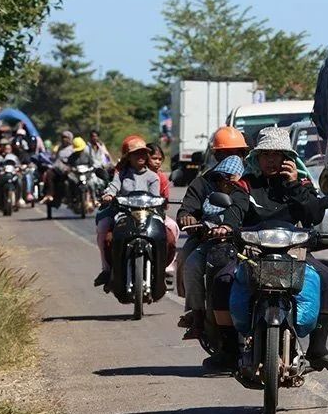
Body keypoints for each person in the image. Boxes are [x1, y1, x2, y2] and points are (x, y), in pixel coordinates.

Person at [225, 127, 328, 374]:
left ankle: (318, 349)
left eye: (277, 154)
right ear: (257, 157)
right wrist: (227, 227)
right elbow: (235, 211)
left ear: (287, 158)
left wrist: (293, 185)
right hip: (252, 252)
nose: (271, 160)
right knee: (222, 278)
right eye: (265, 154)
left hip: (294, 252)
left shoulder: (301, 183)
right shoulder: (245, 185)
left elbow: (313, 215)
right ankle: (227, 350)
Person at [176, 126, 251, 335]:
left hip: (250, 240)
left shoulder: (252, 181)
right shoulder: (202, 183)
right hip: (210, 240)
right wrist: (187, 217)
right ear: (217, 156)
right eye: (225, 154)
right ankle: (197, 315)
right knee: (191, 264)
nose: (232, 159)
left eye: (237, 153)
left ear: (245, 155)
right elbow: (187, 208)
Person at [93, 135, 162, 288]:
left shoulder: (153, 177)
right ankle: (108, 270)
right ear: (128, 157)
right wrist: (109, 195)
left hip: (147, 215)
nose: (140, 156)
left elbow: (155, 198)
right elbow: (113, 186)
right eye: (136, 153)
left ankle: (161, 270)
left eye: (143, 153)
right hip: (124, 214)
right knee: (105, 230)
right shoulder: (121, 174)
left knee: (162, 235)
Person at [145, 142, 180, 271]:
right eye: (154, 158)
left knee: (173, 228)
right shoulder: (134, 173)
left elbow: (165, 202)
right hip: (135, 214)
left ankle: (168, 266)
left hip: (156, 215)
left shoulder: (162, 177)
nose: (158, 162)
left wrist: (163, 203)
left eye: (160, 159)